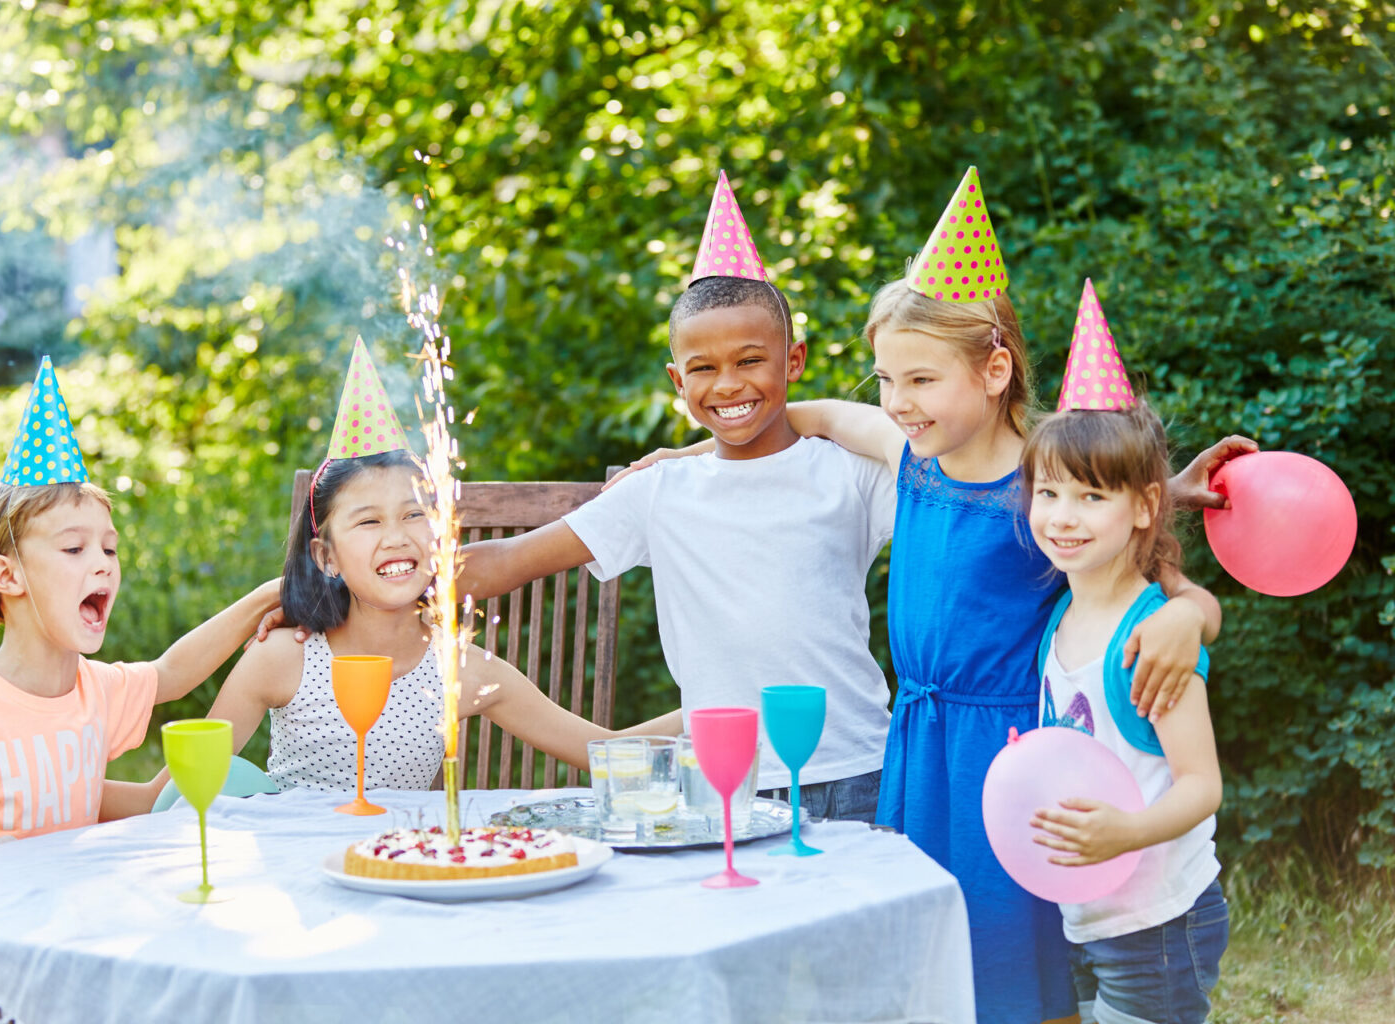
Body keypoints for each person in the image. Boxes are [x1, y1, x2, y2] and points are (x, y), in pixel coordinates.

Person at [623, 172, 1249, 1023]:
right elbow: (811, 414)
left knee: (1013, 960)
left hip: (1005, 750)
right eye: (886, 379)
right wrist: (698, 450)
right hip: (919, 746)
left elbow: (1144, 565)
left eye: (919, 380)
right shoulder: (907, 453)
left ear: (995, 370)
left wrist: (1188, 612)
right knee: (923, 955)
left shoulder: (1041, 481)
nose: (896, 401)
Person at [452, 173, 898, 823]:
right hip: (722, 777)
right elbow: (505, 563)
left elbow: (931, 469)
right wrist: (346, 582)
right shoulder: (658, 493)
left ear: (793, 360)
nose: (728, 384)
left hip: (858, 767)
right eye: (704, 369)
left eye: (751, 361)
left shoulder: (849, 475)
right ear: (675, 379)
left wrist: (813, 416)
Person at [0, 359, 280, 1024]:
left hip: (51, 954)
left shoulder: (95, 692)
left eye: (109, 550)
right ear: (8, 574)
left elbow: (170, 676)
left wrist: (265, 599)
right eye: (75, 548)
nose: (103, 564)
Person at [147, 339, 682, 803]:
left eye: (414, 515)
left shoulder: (460, 670)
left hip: (402, 880)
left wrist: (729, 702)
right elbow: (168, 794)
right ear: (325, 557)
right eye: (368, 521)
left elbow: (607, 752)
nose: (397, 536)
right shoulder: (282, 659)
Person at [1022, 283, 1227, 1024]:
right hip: (1087, 909)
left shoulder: (1151, 639)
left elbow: (1202, 784)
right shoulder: (1058, 616)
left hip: (1160, 919)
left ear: (1144, 505)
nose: (1062, 517)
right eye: (1048, 493)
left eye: (1090, 498)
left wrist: (1127, 833)